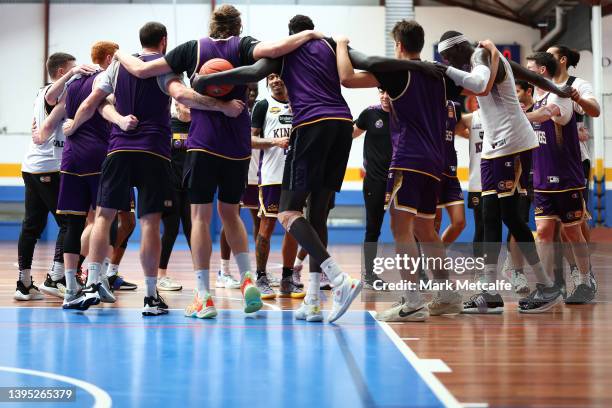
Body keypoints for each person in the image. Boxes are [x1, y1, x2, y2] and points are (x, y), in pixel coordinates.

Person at [192, 15, 441, 323]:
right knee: (317, 213)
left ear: (290, 35)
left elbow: (251, 73)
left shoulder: (283, 52)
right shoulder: (329, 43)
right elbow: (370, 61)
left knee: (286, 212)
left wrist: (206, 80)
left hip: (312, 124)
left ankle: (338, 279)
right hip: (342, 125)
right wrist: (417, 64)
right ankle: (312, 299)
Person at [113, 7, 322, 317]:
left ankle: (203, 294)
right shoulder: (244, 45)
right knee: (231, 214)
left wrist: (118, 53)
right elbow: (277, 49)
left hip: (203, 144)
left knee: (199, 218)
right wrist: (309, 33)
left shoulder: (191, 49)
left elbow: (144, 71)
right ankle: (248, 278)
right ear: (238, 27)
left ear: (211, 25)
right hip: (237, 147)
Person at [65, 23, 241, 317]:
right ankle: (150, 296)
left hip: (119, 149)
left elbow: (94, 104)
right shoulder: (165, 67)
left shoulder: (117, 67)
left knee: (103, 217)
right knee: (149, 223)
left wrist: (97, 123)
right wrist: (221, 107)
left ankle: (93, 282)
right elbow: (184, 98)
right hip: (154, 152)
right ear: (164, 41)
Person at [334, 21, 463, 322]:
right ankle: (447, 295)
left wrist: (340, 43)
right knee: (425, 229)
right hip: (436, 162)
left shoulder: (399, 71)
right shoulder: (438, 76)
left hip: (409, 158)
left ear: (400, 46)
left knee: (400, 228)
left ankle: (414, 301)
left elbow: (347, 78)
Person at [438, 31, 571, 313]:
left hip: (512, 142)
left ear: (461, 48)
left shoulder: (482, 54)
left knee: (510, 214)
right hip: (493, 146)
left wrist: (443, 70)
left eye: (449, 57)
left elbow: (480, 85)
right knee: (489, 217)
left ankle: (547, 286)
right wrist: (557, 90)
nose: (449, 61)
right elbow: (529, 76)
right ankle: (490, 292)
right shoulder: (482, 56)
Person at [48, 41, 133, 310]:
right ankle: (96, 279)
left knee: (74, 224)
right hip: (97, 156)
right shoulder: (104, 79)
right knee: (102, 219)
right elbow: (100, 106)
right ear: (109, 58)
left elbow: (53, 103)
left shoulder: (73, 83)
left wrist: (64, 127)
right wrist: (120, 119)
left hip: (71, 160)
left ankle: (71, 288)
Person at [15, 52, 90, 301]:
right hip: (49, 167)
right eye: (71, 69)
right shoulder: (51, 94)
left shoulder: (48, 94)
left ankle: (24, 283)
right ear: (61, 72)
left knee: (31, 225)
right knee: (69, 223)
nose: (76, 71)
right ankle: (56, 277)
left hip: (33, 167)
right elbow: (51, 98)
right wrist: (74, 73)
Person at [523, 52, 593, 308]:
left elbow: (546, 115)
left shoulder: (560, 95)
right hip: (542, 178)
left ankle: (585, 280)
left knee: (572, 232)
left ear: (541, 71)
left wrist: (516, 117)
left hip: (567, 177)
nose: (526, 71)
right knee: (542, 232)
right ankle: (547, 287)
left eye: (529, 68)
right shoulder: (534, 99)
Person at [547, 44, 600, 292]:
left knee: (576, 223)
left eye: (551, 55)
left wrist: (576, 98)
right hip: (546, 160)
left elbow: (595, 110)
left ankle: (585, 274)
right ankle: (564, 274)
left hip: (575, 161)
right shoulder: (540, 85)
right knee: (550, 225)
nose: (546, 59)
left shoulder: (578, 84)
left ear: (563, 60)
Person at [251, 73, 303, 299]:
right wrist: (274, 141)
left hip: (296, 176)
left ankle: (286, 278)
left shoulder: (300, 103)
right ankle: (261, 277)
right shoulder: (263, 105)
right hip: (272, 176)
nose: (275, 80)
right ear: (267, 83)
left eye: (279, 76)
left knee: (293, 228)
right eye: (270, 77)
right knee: (266, 228)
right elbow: (250, 140)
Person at [217, 83, 260, 290]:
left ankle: (260, 272)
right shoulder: (232, 108)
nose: (251, 93)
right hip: (240, 169)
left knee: (260, 225)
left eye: (255, 90)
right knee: (230, 219)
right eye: (248, 90)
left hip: (261, 176)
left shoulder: (263, 108)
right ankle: (224, 271)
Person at [352, 91, 392, 289]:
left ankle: (418, 273)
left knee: (412, 229)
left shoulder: (405, 115)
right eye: (381, 91)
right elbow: (350, 134)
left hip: (401, 181)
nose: (384, 96)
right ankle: (369, 275)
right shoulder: (369, 114)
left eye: (389, 92)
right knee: (373, 228)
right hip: (375, 182)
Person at [157, 100, 191, 292]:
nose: (189, 107)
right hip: (169, 187)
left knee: (192, 229)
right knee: (170, 228)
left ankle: (201, 275)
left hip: (190, 187)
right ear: (177, 105)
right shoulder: (167, 125)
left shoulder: (198, 126)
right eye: (186, 104)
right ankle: (161, 275)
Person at [434, 100, 466, 244]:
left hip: (451, 173)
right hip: (432, 172)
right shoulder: (424, 102)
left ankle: (437, 254)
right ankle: (429, 260)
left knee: (459, 222)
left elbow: (458, 130)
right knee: (434, 223)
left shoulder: (454, 106)